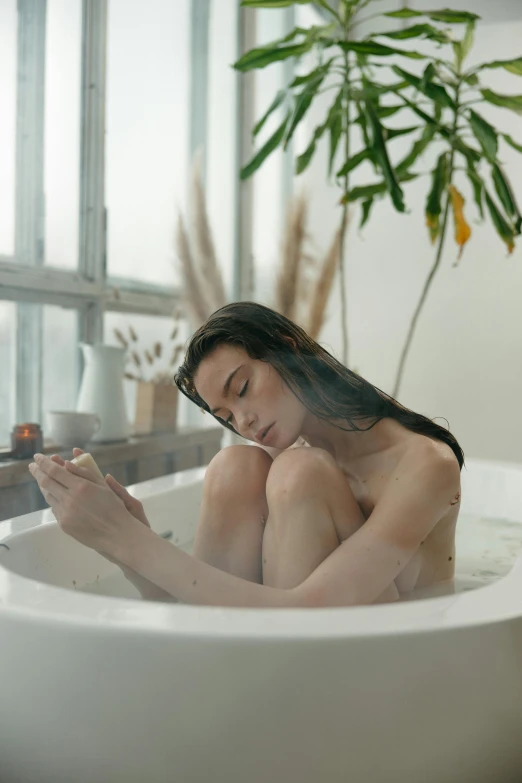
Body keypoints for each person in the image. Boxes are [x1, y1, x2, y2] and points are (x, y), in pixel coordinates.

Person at [29, 302, 463, 607]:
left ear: (289, 347)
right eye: (225, 415)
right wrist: (118, 539)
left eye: (242, 389)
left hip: (389, 668)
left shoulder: (425, 464)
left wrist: (126, 539)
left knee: (300, 470)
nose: (244, 421)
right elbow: (192, 603)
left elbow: (308, 611)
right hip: (275, 656)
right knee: (234, 466)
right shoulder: (282, 466)